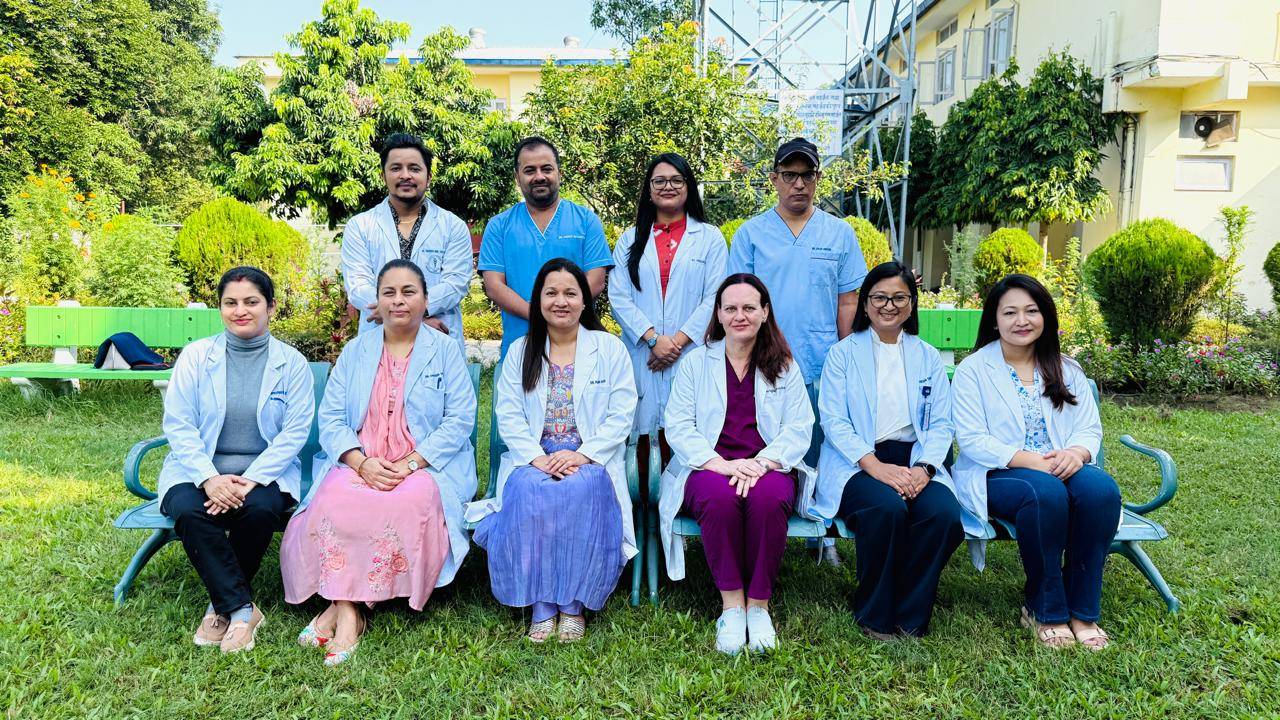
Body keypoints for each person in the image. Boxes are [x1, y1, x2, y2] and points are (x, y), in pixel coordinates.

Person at [280, 259, 477, 666]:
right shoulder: (357, 350)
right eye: (389, 292)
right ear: (377, 301)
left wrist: (411, 464)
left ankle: (341, 612)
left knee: (407, 502)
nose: (398, 301)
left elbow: (460, 419)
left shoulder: (444, 351)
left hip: (423, 465)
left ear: (425, 299)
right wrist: (359, 461)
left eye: (409, 292)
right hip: (361, 461)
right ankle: (350, 612)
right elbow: (332, 418)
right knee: (335, 499)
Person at [467, 259, 638, 643]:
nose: (561, 301)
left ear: (584, 301)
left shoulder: (608, 349)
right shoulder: (521, 351)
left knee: (582, 488)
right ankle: (543, 604)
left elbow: (622, 413)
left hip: (590, 458)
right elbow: (509, 413)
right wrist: (537, 458)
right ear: (539, 300)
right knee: (530, 488)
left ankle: (574, 605)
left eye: (570, 293)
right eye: (552, 293)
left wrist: (583, 454)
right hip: (535, 457)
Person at [952, 274, 1120, 651]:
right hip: (999, 472)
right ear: (994, 320)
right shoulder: (973, 370)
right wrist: (1033, 461)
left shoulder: (1066, 368)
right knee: (1044, 493)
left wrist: (1076, 454)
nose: (1022, 320)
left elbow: (1088, 428)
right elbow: (973, 440)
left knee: (1101, 491)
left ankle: (1083, 613)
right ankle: (1045, 610)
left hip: (1062, 465)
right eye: (1010, 312)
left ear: (1045, 316)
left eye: (1031, 311)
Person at [157, 266, 315, 653]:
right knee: (191, 510)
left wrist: (251, 480)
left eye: (251, 302)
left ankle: (220, 606)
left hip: (265, 473)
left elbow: (295, 432)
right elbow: (178, 423)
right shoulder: (196, 357)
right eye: (230, 302)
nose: (240, 310)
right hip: (197, 469)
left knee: (259, 510)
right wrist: (209, 478)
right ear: (220, 308)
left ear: (270, 307)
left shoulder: (291, 363)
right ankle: (242, 609)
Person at [727, 137, 869, 565]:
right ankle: (762, 522)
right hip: (763, 363)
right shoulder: (751, 234)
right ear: (774, 179)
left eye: (807, 175)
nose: (799, 184)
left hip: (821, 361)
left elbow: (848, 300)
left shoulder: (838, 234)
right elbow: (739, 300)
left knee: (820, 447)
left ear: (818, 179)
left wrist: (845, 357)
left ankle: (821, 534)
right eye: (790, 175)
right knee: (765, 443)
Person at [659, 273, 816, 655]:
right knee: (719, 499)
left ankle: (758, 607)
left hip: (768, 466)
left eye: (749, 307)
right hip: (709, 466)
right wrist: (720, 464)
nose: (739, 315)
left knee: (768, 499)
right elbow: (678, 425)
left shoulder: (784, 365)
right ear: (718, 313)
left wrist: (761, 463)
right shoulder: (697, 363)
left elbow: (800, 426)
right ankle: (732, 607)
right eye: (730, 308)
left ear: (765, 312)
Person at [812, 261, 963, 640]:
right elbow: (834, 421)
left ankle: (910, 613)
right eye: (879, 297)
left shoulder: (927, 355)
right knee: (886, 508)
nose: (889, 305)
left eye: (899, 297)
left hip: (915, 459)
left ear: (912, 304)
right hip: (857, 462)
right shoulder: (843, 354)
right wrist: (874, 466)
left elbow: (942, 423)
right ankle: (874, 613)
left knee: (943, 515)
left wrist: (925, 469)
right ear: (865, 304)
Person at [608, 152, 727, 488]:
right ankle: (644, 506)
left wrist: (676, 343)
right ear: (649, 190)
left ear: (688, 187)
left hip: (690, 353)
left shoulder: (710, 238)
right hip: (642, 353)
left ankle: (684, 504)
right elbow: (618, 295)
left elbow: (715, 296)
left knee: (689, 428)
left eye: (677, 180)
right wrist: (652, 339)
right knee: (641, 429)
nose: (668, 186)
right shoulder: (630, 239)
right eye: (659, 181)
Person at [478, 136, 613, 359]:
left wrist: (558, 313)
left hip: (579, 347)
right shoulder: (499, 226)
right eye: (529, 170)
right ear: (517, 177)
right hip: (520, 347)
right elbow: (494, 286)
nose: (539, 176)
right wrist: (540, 316)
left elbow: (596, 281)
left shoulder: (586, 221)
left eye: (547, 169)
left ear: (559, 173)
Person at [341, 133, 474, 351]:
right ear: (383, 176)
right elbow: (358, 286)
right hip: (379, 338)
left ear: (428, 177)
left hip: (438, 339)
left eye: (414, 168)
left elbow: (455, 284)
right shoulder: (360, 226)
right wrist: (414, 320)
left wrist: (404, 314)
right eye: (396, 168)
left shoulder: (453, 226)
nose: (405, 175)